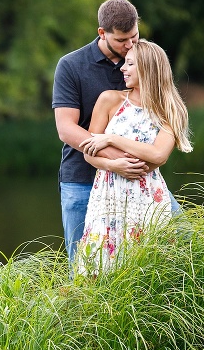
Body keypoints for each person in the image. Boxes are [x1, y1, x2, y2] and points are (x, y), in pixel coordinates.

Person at [75, 39, 192, 274]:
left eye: (129, 64)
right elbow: (89, 153)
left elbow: (158, 155)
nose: (122, 69)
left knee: (149, 266)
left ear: (147, 69)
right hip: (108, 195)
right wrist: (113, 165)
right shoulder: (110, 100)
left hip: (148, 195)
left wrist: (111, 139)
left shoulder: (170, 109)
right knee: (99, 265)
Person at [52, 0, 148, 265]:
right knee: (84, 265)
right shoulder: (71, 66)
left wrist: (132, 162)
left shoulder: (145, 60)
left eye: (134, 36)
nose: (130, 45)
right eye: (121, 40)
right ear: (102, 33)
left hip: (136, 177)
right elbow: (66, 129)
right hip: (82, 179)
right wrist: (116, 159)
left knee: (177, 240)